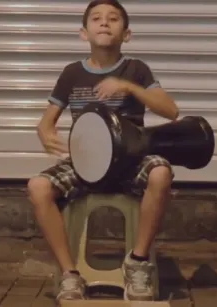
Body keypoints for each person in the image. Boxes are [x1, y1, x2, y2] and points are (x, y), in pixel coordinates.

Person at [27, 0, 179, 302]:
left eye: (113, 19)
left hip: (130, 162)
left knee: (161, 172)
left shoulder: (136, 69)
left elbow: (171, 111)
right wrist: (44, 133)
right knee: (38, 187)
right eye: (96, 18)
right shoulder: (72, 73)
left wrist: (130, 88)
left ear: (127, 34)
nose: (105, 23)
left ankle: (137, 263)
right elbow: (46, 122)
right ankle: (70, 275)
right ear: (84, 33)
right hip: (84, 164)